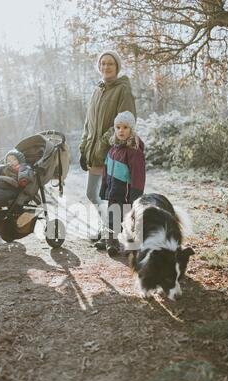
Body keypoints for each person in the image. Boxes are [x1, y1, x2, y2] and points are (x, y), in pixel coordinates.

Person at [79, 50, 136, 241]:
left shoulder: (122, 89)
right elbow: (89, 123)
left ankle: (111, 232)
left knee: (111, 196)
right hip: (95, 153)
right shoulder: (97, 90)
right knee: (92, 193)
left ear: (117, 67)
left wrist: (104, 143)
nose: (106, 67)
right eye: (103, 63)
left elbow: (126, 121)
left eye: (110, 63)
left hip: (114, 153)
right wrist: (83, 147)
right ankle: (109, 229)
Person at [95, 111, 145, 256]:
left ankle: (128, 244)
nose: (121, 131)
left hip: (127, 193)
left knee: (127, 219)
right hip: (113, 192)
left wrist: (135, 194)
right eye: (118, 127)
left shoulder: (133, 152)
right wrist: (104, 188)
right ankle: (110, 241)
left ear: (131, 129)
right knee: (112, 217)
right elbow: (106, 170)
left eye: (125, 127)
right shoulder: (112, 150)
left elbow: (138, 175)